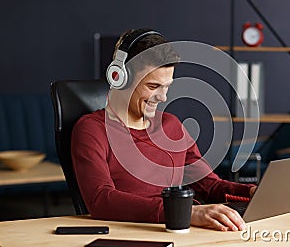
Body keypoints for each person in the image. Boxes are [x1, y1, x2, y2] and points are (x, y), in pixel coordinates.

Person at [71, 28, 257, 232]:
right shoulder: (91, 130)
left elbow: (210, 186)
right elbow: (101, 200)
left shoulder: (172, 126)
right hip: (130, 237)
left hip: (180, 232)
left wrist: (253, 192)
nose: (163, 97)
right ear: (119, 77)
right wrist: (183, 213)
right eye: (153, 86)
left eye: (166, 86)